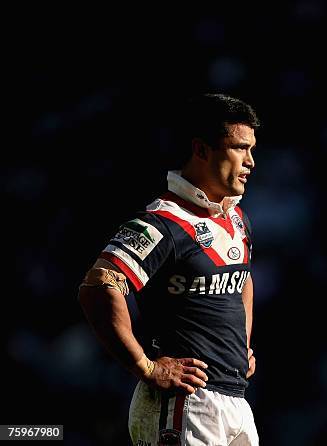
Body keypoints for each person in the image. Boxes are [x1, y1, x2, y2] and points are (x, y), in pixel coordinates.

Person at [78, 93, 260, 445]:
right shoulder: (163, 222)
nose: (251, 161)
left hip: (236, 400)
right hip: (185, 404)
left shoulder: (236, 218)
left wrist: (243, 343)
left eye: (252, 149)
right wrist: (146, 367)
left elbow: (243, 279)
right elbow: (99, 285)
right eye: (240, 148)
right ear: (201, 149)